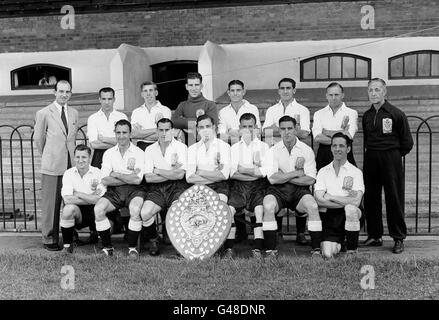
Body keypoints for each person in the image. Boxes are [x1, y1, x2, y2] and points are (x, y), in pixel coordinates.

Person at [362, 78, 413, 254]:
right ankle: (375, 235)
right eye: (370, 90)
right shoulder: (367, 115)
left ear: (385, 92)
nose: (374, 93)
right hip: (372, 158)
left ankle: (398, 237)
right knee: (371, 198)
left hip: (391, 158)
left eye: (377, 90)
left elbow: (407, 142)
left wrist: (394, 156)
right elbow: (368, 139)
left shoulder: (396, 114)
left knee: (394, 197)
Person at [262, 116, 318, 257]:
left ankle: (316, 250)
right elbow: (273, 179)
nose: (286, 132)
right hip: (277, 191)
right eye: (283, 129)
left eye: (290, 128)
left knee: (312, 206)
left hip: (299, 191)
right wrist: (297, 173)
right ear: (279, 131)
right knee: (268, 205)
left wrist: (284, 176)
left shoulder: (306, 150)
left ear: (296, 129)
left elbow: (310, 179)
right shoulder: (273, 150)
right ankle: (270, 251)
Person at [34, 80, 79, 251]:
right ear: (54, 92)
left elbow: (71, 139)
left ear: (71, 94)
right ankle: (49, 239)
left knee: (70, 201)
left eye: (67, 92)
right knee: (51, 203)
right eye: (61, 91)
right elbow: (39, 139)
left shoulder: (74, 112)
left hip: (70, 164)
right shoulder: (44, 113)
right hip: (52, 164)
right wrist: (48, 155)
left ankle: (70, 235)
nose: (64, 95)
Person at [93, 119, 146, 257]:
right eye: (118, 132)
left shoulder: (139, 152)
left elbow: (137, 180)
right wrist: (126, 176)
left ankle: (132, 248)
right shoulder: (109, 153)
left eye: (124, 132)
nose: (121, 136)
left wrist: (116, 174)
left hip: (134, 191)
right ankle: (107, 248)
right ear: (114, 133)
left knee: (135, 209)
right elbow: (105, 179)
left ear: (130, 133)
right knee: (98, 209)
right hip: (114, 192)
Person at [140, 118, 189, 256]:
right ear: (156, 131)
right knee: (145, 213)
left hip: (177, 187)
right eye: (161, 130)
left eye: (167, 130)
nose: (164, 133)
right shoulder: (149, 149)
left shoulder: (181, 148)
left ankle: (179, 244)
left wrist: (158, 170)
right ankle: (154, 239)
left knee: (178, 211)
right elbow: (148, 177)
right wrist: (170, 173)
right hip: (156, 188)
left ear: (172, 131)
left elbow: (180, 176)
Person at [312, 133, 364, 258]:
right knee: (327, 253)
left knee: (350, 209)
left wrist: (331, 197)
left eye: (341, 146)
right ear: (330, 148)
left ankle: (352, 250)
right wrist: (346, 200)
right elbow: (319, 200)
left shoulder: (356, 172)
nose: (337, 149)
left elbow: (356, 202)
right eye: (334, 145)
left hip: (349, 215)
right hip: (330, 217)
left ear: (348, 149)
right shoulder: (323, 171)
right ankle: (341, 242)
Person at [186, 114, 232, 256]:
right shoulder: (192, 149)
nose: (205, 130)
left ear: (214, 128)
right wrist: (211, 175)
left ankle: (221, 246)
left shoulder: (223, 146)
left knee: (219, 206)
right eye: (201, 127)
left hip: (220, 187)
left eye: (208, 126)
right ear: (197, 130)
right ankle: (198, 246)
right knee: (195, 210)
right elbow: (189, 177)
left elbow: (223, 175)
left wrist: (200, 172)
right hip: (198, 187)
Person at [228, 113, 269, 258]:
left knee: (259, 211)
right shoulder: (233, 148)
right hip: (238, 187)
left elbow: (264, 172)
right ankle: (229, 247)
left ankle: (257, 247)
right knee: (229, 210)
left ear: (256, 128)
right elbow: (232, 173)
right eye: (244, 127)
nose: (247, 130)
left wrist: (244, 170)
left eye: (250, 126)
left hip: (258, 187)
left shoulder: (264, 147)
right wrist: (253, 172)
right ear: (239, 128)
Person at [60, 145, 106, 253]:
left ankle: (101, 240)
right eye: (78, 157)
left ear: (90, 158)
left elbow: (98, 200)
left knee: (101, 208)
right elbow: (67, 200)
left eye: (84, 157)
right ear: (74, 158)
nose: (80, 160)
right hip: (78, 212)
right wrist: (91, 197)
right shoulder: (68, 173)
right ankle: (67, 246)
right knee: (68, 209)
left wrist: (78, 193)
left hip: (95, 211)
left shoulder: (98, 173)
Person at [312, 82, 358, 170]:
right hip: (324, 154)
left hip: (344, 154)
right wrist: (341, 133)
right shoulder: (318, 114)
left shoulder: (352, 113)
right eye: (331, 95)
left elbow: (348, 136)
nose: (333, 98)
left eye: (336, 94)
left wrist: (326, 132)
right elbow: (317, 138)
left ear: (342, 95)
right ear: (326, 96)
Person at [131, 81, 183, 151]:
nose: (148, 93)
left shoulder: (165, 110)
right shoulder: (136, 112)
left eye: (151, 90)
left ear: (156, 93)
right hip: (142, 147)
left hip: (161, 146)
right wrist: (156, 130)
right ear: (142, 94)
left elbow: (165, 134)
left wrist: (141, 134)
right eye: (145, 91)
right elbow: (133, 134)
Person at [172, 72, 218, 145]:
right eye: (191, 85)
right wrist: (197, 123)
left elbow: (211, 129)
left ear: (201, 86)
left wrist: (188, 127)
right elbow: (174, 121)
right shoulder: (182, 105)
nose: (194, 88)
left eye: (196, 85)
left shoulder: (210, 105)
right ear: (186, 87)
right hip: (186, 145)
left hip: (205, 144)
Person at [87, 87, 128, 169]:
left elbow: (126, 141)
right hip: (99, 156)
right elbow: (94, 144)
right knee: (100, 181)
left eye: (109, 99)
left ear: (114, 99)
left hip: (119, 154)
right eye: (104, 99)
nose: (106, 102)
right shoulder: (93, 118)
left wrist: (104, 139)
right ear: (99, 100)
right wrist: (117, 142)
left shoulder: (122, 117)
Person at [262, 78, 310, 143]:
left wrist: (277, 129)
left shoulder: (303, 110)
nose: (285, 91)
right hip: (274, 148)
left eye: (288, 88)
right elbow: (265, 132)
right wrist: (293, 130)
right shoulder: (271, 110)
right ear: (279, 91)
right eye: (282, 88)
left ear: (294, 90)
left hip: (295, 149)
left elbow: (304, 134)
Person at [218, 80, 261, 144]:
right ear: (228, 93)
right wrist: (242, 135)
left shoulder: (252, 108)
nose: (235, 93)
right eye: (232, 90)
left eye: (238, 90)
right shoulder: (223, 112)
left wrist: (231, 132)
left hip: (250, 146)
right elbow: (221, 136)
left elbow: (257, 132)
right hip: (230, 147)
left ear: (243, 92)